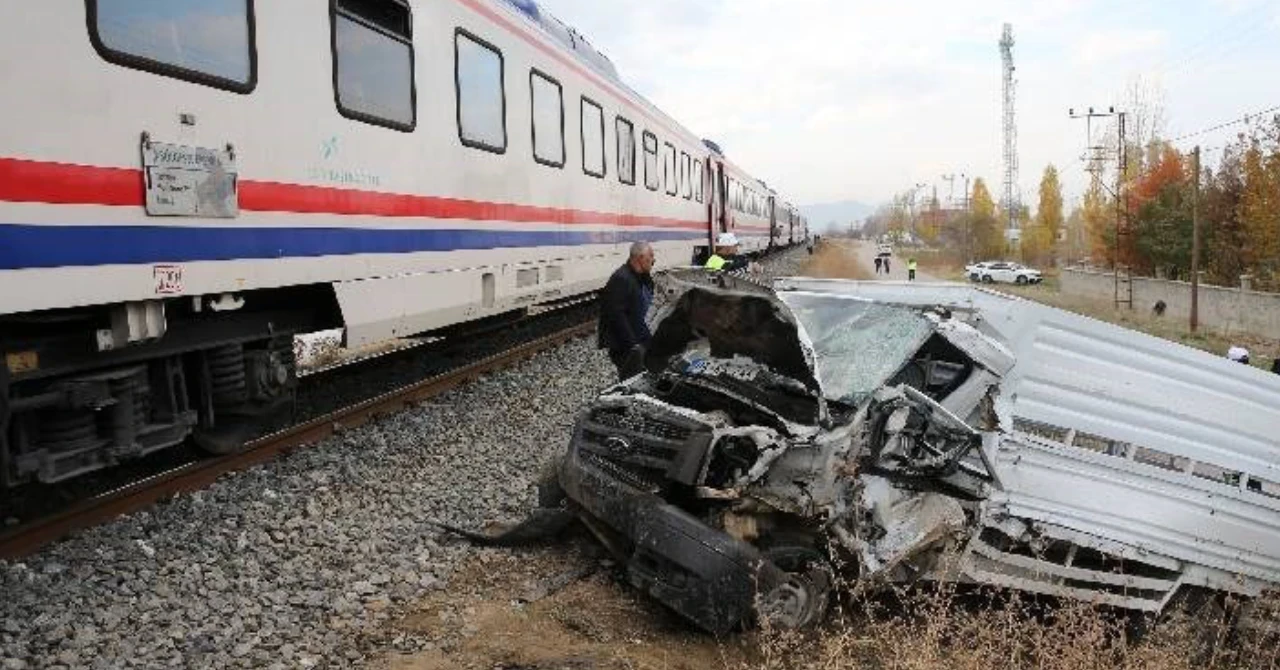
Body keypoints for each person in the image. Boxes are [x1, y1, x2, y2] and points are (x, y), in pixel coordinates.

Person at [598, 241, 656, 380]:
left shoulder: (643, 277)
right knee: (632, 380)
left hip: (643, 340)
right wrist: (633, 345)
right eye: (651, 257)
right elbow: (616, 315)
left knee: (646, 377)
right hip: (628, 346)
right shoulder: (621, 279)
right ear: (640, 258)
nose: (653, 261)